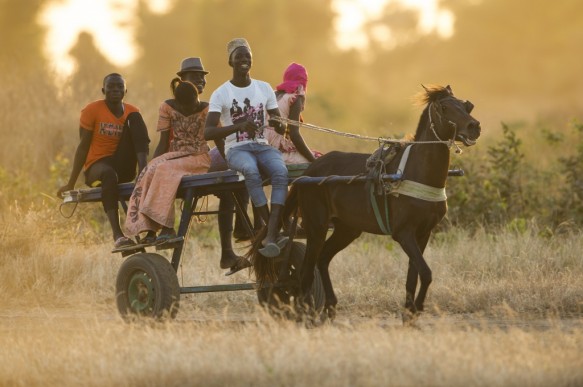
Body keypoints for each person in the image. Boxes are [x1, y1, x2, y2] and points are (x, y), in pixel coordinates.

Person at [204, 38, 289, 259]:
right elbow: (208, 132)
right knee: (250, 171)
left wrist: (280, 125)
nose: (244, 60)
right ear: (230, 61)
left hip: (263, 146)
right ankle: (271, 232)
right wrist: (239, 126)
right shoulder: (221, 93)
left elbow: (280, 125)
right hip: (237, 150)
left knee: (281, 172)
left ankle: (270, 233)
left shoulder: (264, 88)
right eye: (239, 56)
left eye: (247, 56)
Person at [176, 57, 252, 275]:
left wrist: (232, 163)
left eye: (201, 77)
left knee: (236, 184)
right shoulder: (172, 106)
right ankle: (241, 233)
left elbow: (219, 139)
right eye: (193, 77)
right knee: (236, 181)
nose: (199, 80)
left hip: (202, 159)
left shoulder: (208, 106)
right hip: (182, 163)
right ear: (181, 81)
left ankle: (230, 248)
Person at [57, 73, 150, 251]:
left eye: (119, 87)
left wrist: (142, 171)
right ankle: (118, 235)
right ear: (103, 90)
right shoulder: (92, 110)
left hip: (122, 166)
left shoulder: (132, 111)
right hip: (97, 166)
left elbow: (139, 142)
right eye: (111, 87)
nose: (115, 90)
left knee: (136, 118)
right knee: (108, 174)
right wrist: (71, 182)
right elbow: (83, 147)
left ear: (125, 91)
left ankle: (144, 172)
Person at [124, 78, 211, 246]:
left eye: (194, 104)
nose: (192, 108)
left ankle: (167, 228)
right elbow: (163, 142)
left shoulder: (207, 109)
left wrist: (226, 163)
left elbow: (217, 138)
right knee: (150, 170)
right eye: (187, 106)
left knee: (164, 169)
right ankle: (148, 228)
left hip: (199, 157)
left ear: (197, 98)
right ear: (178, 104)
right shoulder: (167, 107)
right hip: (176, 155)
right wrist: (152, 163)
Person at [264, 62, 319, 164]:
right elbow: (294, 135)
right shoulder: (294, 98)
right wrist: (314, 161)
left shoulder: (272, 94)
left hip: (261, 145)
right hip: (276, 149)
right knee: (320, 159)